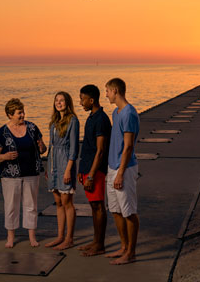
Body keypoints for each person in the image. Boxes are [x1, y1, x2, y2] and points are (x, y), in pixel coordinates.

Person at [0, 98, 46, 248]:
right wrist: (5, 156)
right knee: (11, 206)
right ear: (10, 115)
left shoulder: (32, 128)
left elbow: (43, 149)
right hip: (10, 175)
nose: (22, 115)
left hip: (31, 172)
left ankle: (32, 237)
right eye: (18, 113)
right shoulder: (2, 132)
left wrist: (42, 147)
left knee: (31, 205)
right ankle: (10, 237)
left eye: (22, 112)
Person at [104, 78, 140, 265]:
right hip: (112, 167)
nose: (106, 95)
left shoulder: (129, 114)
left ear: (115, 90)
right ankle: (124, 247)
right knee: (115, 210)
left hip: (124, 169)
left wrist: (119, 173)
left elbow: (127, 147)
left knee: (128, 212)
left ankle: (131, 253)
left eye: (108, 91)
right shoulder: (116, 113)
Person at [78, 84, 111, 257]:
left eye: (82, 99)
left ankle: (100, 245)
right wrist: (81, 169)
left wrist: (90, 175)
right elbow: (88, 147)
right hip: (87, 168)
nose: (80, 102)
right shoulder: (91, 117)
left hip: (96, 170)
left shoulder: (101, 119)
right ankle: (95, 240)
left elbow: (100, 151)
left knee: (99, 206)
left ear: (92, 100)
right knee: (93, 206)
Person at [45, 91, 80, 250]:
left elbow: (74, 147)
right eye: (56, 100)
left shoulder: (72, 120)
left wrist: (68, 170)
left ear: (67, 102)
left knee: (67, 202)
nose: (59, 103)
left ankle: (69, 238)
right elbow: (51, 146)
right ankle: (60, 236)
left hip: (65, 161)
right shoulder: (53, 122)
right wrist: (48, 167)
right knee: (58, 201)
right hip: (53, 163)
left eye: (62, 100)